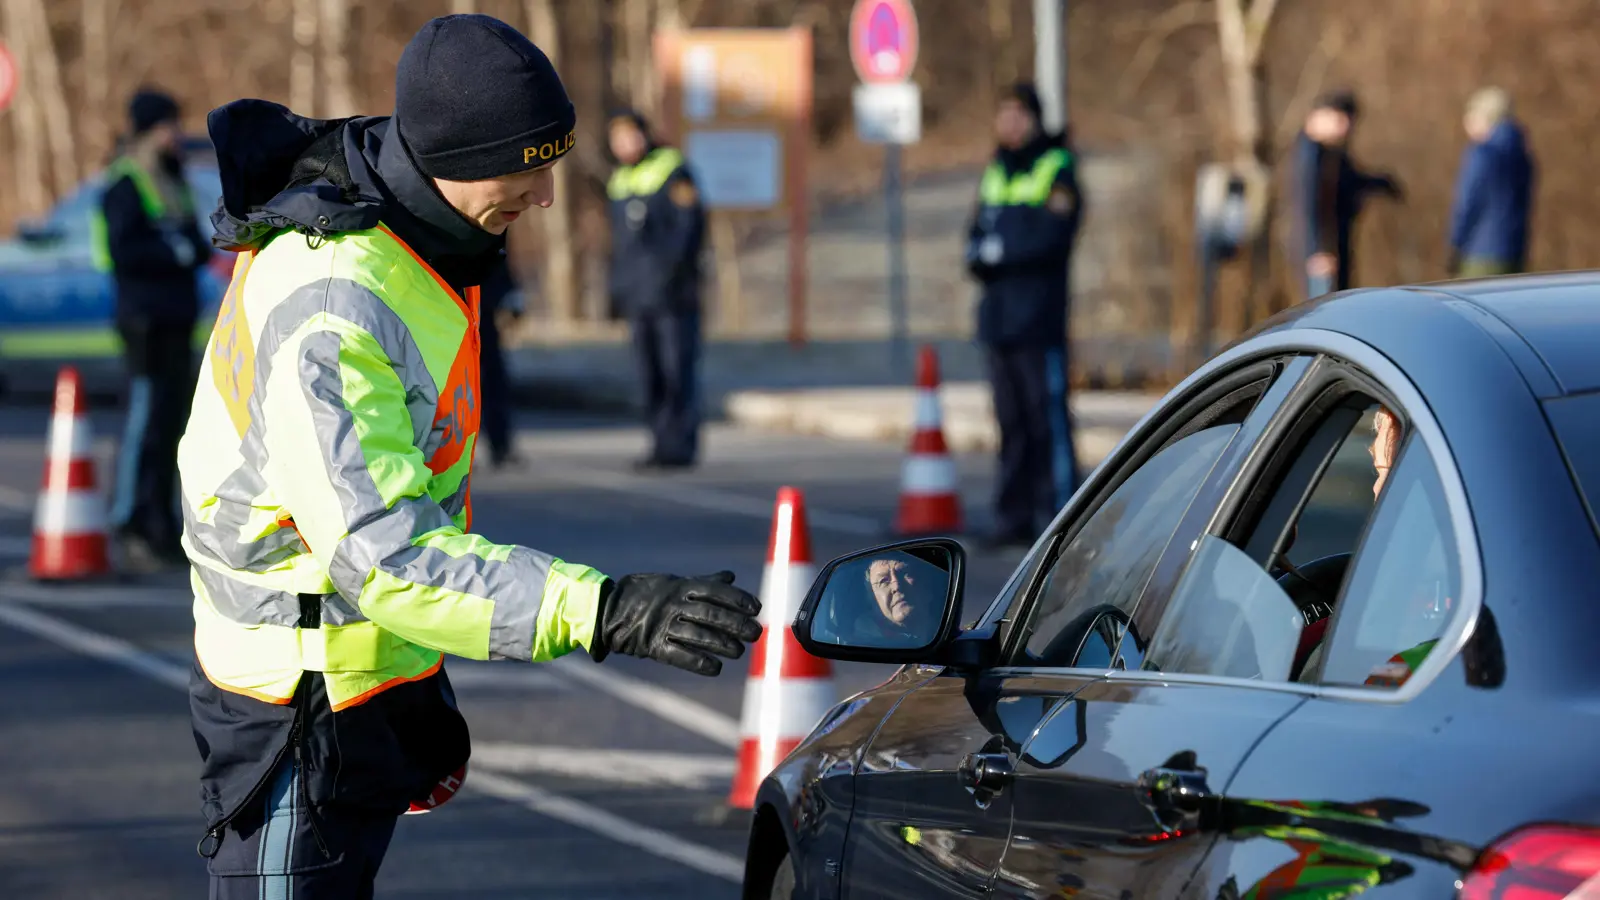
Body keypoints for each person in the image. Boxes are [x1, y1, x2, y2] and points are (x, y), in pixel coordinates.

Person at [178, 15, 763, 897]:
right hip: (298, 710)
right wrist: (605, 610)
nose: (547, 197)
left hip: (363, 681)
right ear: (452, 160)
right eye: (528, 168)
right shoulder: (335, 304)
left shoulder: (420, 237)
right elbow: (386, 554)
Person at [93, 88, 212, 569]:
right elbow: (121, 251)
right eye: (168, 125)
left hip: (177, 317)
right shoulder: (125, 183)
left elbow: (198, 243)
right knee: (146, 423)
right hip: (143, 321)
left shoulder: (173, 178)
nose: (176, 135)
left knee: (174, 428)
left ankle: (164, 524)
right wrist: (173, 254)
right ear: (148, 130)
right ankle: (133, 519)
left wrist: (183, 251)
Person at [965, 82, 1085, 549]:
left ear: (1035, 119)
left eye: (1019, 114)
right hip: (998, 321)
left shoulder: (1057, 167)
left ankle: (1060, 519)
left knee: (1046, 421)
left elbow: (1052, 238)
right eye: (1004, 114)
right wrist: (991, 251)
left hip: (1038, 320)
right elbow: (973, 242)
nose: (1010, 124)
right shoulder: (996, 170)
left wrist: (1002, 250)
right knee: (1010, 424)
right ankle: (1011, 518)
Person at [606, 110, 707, 472]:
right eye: (617, 139)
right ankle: (660, 442)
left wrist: (669, 277)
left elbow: (688, 232)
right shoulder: (619, 180)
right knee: (649, 375)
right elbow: (619, 247)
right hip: (638, 298)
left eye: (629, 136)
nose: (624, 145)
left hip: (672, 297)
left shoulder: (673, 170)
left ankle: (680, 444)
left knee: (676, 370)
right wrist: (616, 291)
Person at [1289, 90, 1402, 300]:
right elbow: (1305, 205)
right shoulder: (1309, 156)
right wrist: (1316, 250)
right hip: (1320, 254)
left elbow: (1351, 181)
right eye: (1339, 120)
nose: (1345, 129)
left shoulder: (1331, 154)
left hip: (1335, 247)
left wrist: (1381, 183)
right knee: (1324, 312)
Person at [1447, 87, 1535, 279]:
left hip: (1480, 253)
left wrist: (1455, 243)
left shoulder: (1482, 154)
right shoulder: (1523, 155)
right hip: (1515, 251)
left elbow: (1467, 203)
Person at [477, 251, 525, 468]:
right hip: (449, 309)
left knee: (494, 378)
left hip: (483, 310)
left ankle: (501, 444)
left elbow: (495, 250)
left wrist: (511, 295)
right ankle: (450, 451)